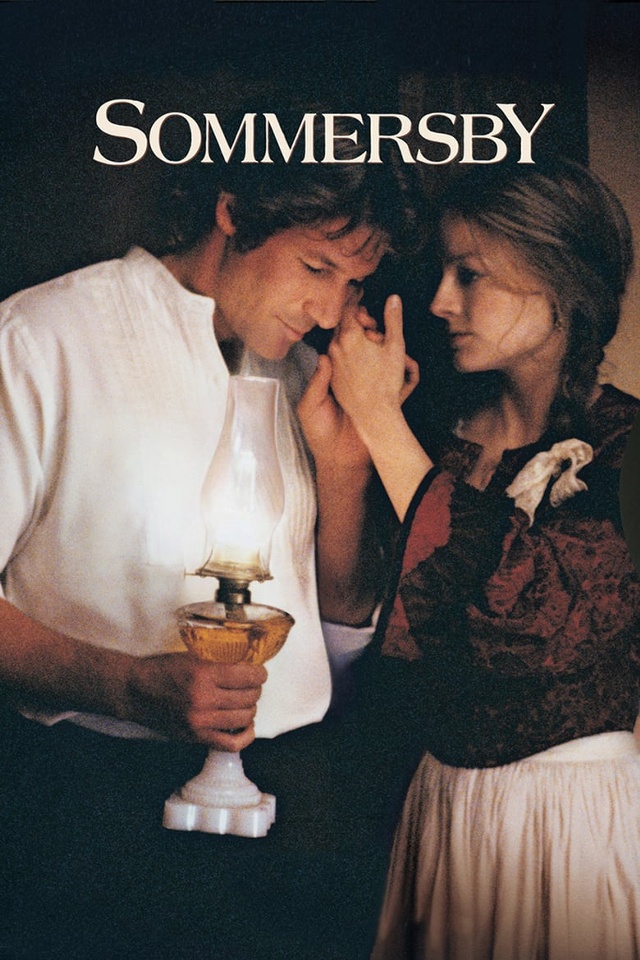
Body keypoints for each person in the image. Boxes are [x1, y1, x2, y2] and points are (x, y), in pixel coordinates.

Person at [0, 115, 422, 960]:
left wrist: (344, 469)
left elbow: (340, 635)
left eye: (354, 282)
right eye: (316, 267)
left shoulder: (306, 378)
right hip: (96, 813)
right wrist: (127, 685)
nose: (329, 309)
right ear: (232, 211)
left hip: (299, 817)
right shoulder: (44, 337)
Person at [327, 158, 640, 960]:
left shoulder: (627, 448)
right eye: (443, 272)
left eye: (470, 275)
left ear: (560, 281)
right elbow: (354, 611)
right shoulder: (438, 432)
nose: (440, 300)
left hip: (570, 818)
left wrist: (380, 423)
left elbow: (531, 619)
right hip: (438, 808)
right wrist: (346, 456)